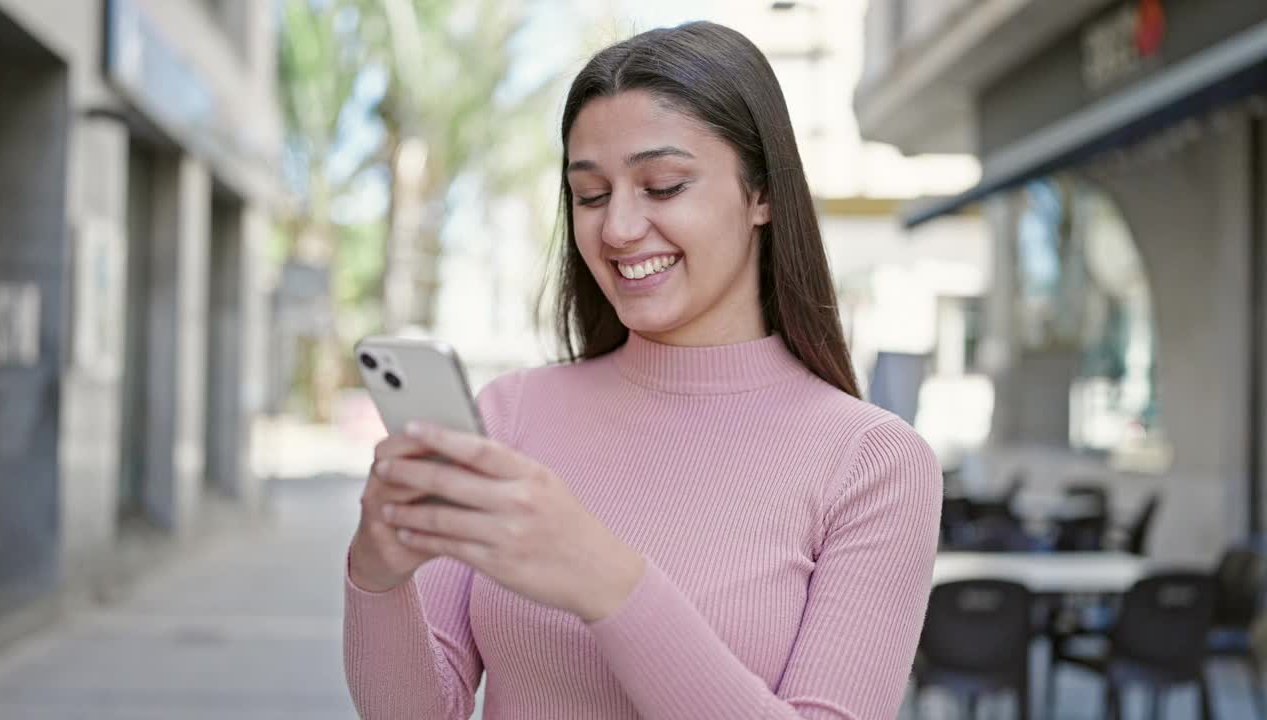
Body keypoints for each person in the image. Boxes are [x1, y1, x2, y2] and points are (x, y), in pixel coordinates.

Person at [344, 21, 942, 720]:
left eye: (662, 186)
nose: (618, 228)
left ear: (762, 194)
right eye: (591, 195)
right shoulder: (510, 414)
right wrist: (377, 578)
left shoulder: (872, 463)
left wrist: (610, 584)